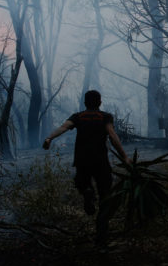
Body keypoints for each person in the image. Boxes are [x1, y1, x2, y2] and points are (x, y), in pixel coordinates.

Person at [42, 90, 130, 245]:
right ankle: (101, 238)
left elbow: (63, 127)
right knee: (105, 198)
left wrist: (50, 138)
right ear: (100, 102)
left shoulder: (78, 117)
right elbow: (113, 136)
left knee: (81, 183)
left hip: (82, 160)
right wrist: (124, 156)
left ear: (85, 102)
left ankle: (87, 191)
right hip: (101, 162)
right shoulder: (105, 117)